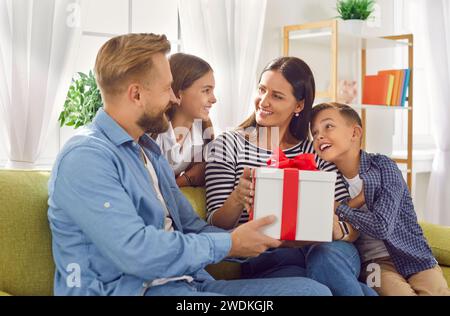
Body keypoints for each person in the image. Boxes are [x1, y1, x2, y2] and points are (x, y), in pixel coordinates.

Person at [47, 33, 332, 296]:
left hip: (189, 284)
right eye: (167, 88)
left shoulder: (147, 151)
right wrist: (230, 243)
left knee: (312, 293)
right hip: (133, 290)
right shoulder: (86, 158)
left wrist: (254, 239)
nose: (174, 98)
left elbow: (193, 227)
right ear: (136, 94)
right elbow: (137, 252)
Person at [205, 57, 377, 296]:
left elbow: (346, 213)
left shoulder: (314, 150)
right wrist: (237, 197)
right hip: (272, 258)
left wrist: (339, 230)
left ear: (299, 106)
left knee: (325, 257)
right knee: (337, 287)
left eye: (277, 96)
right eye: (262, 90)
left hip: (327, 249)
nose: (263, 101)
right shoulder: (227, 145)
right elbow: (214, 222)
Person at [310, 102, 450, 296]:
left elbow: (382, 226)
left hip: (415, 255)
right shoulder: (327, 181)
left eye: (328, 126)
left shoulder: (384, 167)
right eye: (315, 133)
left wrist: (342, 208)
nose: (320, 136)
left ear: (355, 133)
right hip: (374, 264)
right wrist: (355, 202)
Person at [155, 53, 216, 187]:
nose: (214, 99)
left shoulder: (202, 134)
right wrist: (185, 180)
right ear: (178, 93)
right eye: (206, 90)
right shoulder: (153, 133)